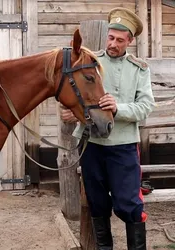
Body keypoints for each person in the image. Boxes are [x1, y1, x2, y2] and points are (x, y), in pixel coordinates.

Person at [61, 7, 155, 250]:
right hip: (92, 145)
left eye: (120, 40)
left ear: (130, 41)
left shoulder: (139, 69)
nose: (113, 44)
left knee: (128, 205)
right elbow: (77, 95)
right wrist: (73, 112)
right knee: (97, 203)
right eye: (111, 37)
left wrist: (118, 108)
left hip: (123, 146)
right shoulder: (90, 62)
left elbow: (145, 106)